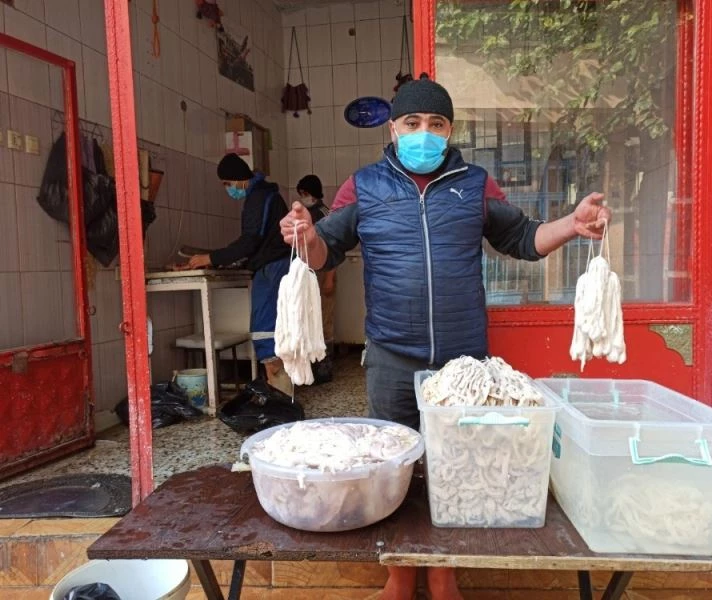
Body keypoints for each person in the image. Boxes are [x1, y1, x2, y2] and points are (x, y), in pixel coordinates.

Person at [280, 75, 611, 600]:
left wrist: (572, 223)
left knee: (458, 469)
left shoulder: (474, 184)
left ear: (449, 130)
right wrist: (306, 236)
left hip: (462, 365)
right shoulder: (363, 186)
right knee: (393, 472)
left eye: (436, 124)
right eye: (412, 122)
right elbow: (325, 254)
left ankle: (443, 580)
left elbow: (523, 238)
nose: (424, 133)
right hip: (391, 356)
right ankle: (398, 580)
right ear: (393, 129)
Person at [184, 153, 292, 394]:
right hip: (279, 264)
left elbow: (250, 241)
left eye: (227, 183)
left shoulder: (258, 197)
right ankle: (281, 392)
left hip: (272, 267)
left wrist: (211, 258)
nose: (228, 189)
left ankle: (280, 396)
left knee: (265, 329)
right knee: (277, 327)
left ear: (238, 178)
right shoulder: (267, 194)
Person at [296, 175, 336, 352]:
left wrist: (329, 278)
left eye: (305, 193)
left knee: (324, 316)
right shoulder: (308, 214)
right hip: (310, 271)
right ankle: (315, 355)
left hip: (324, 270)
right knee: (311, 315)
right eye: (301, 194)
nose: (303, 197)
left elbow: (333, 247)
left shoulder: (323, 214)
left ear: (314, 193)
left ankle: (325, 358)